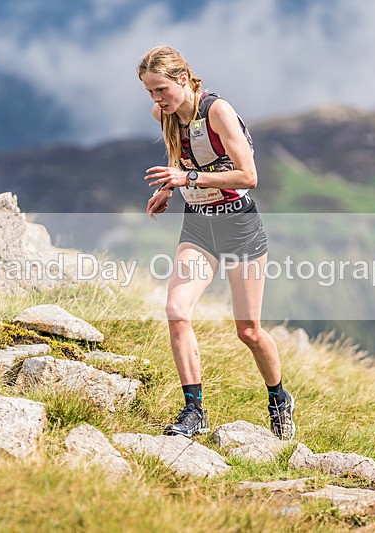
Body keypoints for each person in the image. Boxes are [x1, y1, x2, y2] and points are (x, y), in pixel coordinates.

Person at [137, 45, 295, 440]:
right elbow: (184, 162)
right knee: (176, 310)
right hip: (199, 226)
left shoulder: (217, 112)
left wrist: (186, 181)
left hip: (239, 226)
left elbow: (248, 176)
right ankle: (194, 411)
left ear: (183, 79)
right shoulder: (165, 115)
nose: (156, 100)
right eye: (149, 92)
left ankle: (278, 399)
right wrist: (171, 191)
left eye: (161, 90)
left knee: (249, 332)